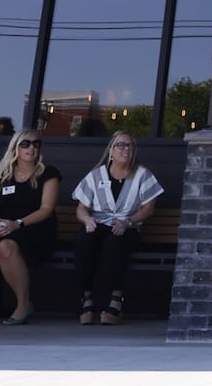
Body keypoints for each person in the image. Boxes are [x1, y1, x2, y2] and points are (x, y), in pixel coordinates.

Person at [0, 129, 59, 324]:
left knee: (6, 246)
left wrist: (17, 223)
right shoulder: (1, 175)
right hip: (2, 226)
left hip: (33, 227)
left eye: (35, 144)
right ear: (15, 147)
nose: (31, 148)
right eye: (25, 143)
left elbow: (46, 209)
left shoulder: (48, 173)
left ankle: (23, 304)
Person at [71, 130, 163, 326]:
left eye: (129, 145)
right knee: (83, 242)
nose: (125, 149)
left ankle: (115, 300)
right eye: (120, 145)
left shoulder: (142, 175)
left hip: (126, 227)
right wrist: (87, 219)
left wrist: (128, 222)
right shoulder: (96, 175)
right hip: (98, 224)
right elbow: (81, 208)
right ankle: (86, 298)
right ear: (111, 151)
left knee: (114, 244)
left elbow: (149, 208)